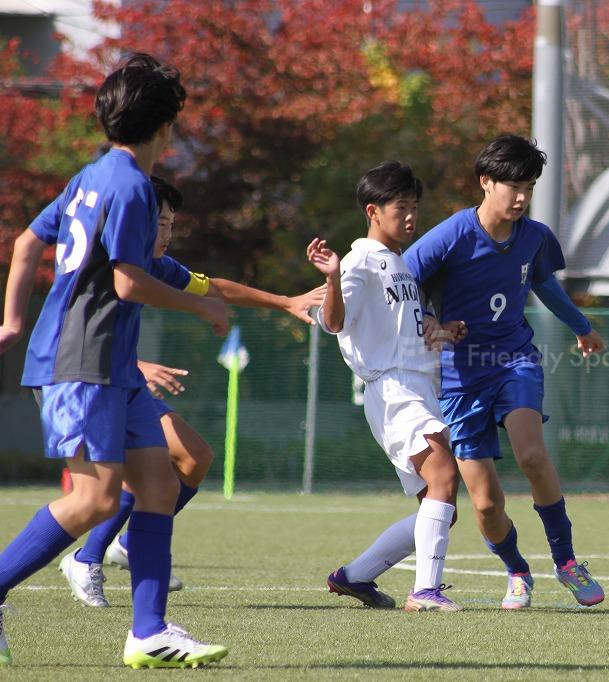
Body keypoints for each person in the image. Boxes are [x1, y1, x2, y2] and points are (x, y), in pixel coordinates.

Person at [0, 54, 229, 668]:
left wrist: (13, 322)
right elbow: (128, 283)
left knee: (158, 483)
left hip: (111, 363)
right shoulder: (131, 186)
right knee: (96, 500)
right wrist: (200, 305)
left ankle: (148, 632)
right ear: (166, 127)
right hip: (83, 359)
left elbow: (27, 242)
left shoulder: (91, 176)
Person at [57, 176, 325, 608]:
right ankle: (85, 560)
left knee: (193, 456)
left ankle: (126, 546)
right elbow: (74, 333)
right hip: (86, 382)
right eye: (160, 223)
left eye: (171, 224)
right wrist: (139, 363)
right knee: (106, 491)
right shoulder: (103, 264)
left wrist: (285, 301)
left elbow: (216, 287)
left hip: (121, 380)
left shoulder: (155, 265)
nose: (167, 233)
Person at [403, 134, 606, 609]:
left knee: (532, 455)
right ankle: (517, 571)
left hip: (515, 360)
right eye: (513, 186)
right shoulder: (453, 233)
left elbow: (542, 282)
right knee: (486, 504)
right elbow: (405, 278)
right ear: (485, 182)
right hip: (459, 377)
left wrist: (581, 326)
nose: (521, 197)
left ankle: (567, 563)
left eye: (529, 187)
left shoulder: (534, 237)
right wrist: (428, 319)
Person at [310, 160, 465, 612]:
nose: (411, 216)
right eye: (401, 207)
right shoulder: (359, 260)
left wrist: (438, 331)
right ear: (373, 211)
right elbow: (333, 322)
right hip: (394, 389)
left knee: (441, 505)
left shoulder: (399, 263)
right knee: (443, 476)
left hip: (416, 387)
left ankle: (354, 576)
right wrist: (332, 277)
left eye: (415, 206)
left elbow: (399, 329)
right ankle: (425, 592)